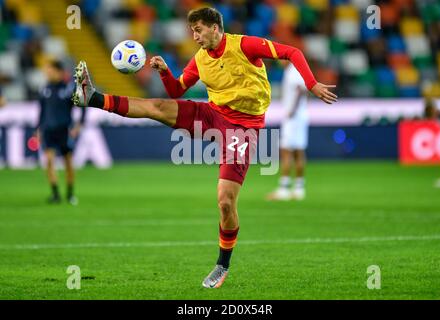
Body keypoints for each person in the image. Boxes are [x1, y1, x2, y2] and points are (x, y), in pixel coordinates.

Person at [72, 7, 337, 288]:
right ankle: (94, 97)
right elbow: (176, 91)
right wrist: (165, 73)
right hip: (213, 115)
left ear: (214, 28)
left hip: (243, 128)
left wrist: (311, 84)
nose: (195, 37)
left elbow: (292, 52)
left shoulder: (244, 45)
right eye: (192, 32)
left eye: (198, 30)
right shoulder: (200, 59)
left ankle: (222, 264)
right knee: (158, 106)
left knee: (225, 201)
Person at [36, 59, 86, 204]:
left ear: (58, 71)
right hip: (48, 130)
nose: (47, 73)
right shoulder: (45, 89)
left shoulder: (68, 89)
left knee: (68, 163)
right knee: (49, 161)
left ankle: (70, 193)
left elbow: (82, 105)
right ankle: (55, 193)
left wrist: (79, 125)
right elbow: (42, 111)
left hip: (65, 130)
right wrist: (38, 129)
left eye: (49, 70)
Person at [267, 62, 309, 201]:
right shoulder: (293, 71)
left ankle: (284, 189)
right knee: (298, 152)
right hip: (299, 116)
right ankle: (299, 188)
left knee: (286, 151)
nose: (279, 61)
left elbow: (301, 90)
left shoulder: (293, 72)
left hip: (293, 118)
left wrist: (293, 110)